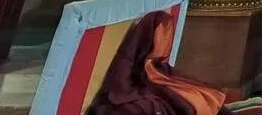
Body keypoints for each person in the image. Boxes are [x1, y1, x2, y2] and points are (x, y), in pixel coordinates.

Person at [87, 11, 226, 115]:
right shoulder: (132, 57)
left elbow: (175, 78)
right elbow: (120, 86)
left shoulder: (157, 66)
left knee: (205, 95)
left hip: (152, 87)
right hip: (135, 93)